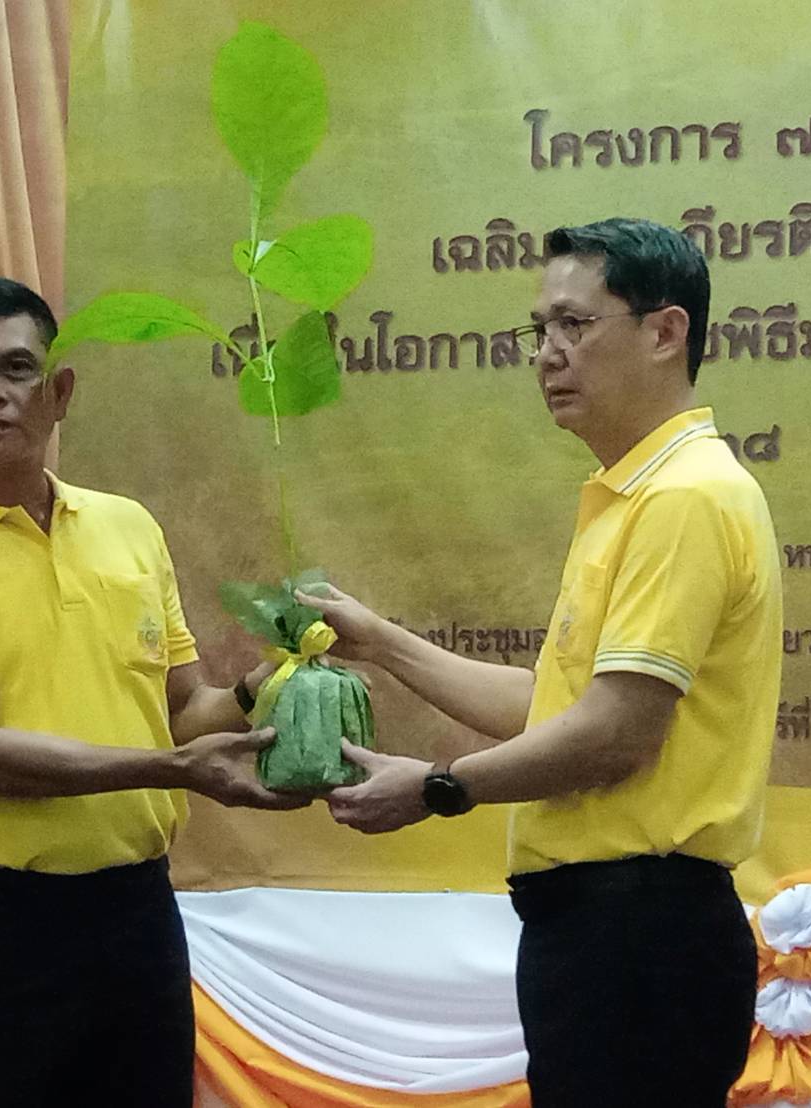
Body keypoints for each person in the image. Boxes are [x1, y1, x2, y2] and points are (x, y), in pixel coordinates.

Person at [296, 218, 780, 1107]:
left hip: (640, 932)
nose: (545, 353)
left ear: (664, 331)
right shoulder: (636, 494)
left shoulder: (684, 497)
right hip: (611, 929)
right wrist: (382, 642)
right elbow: (553, 708)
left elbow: (614, 735)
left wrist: (436, 789)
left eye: (574, 324)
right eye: (538, 328)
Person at [0, 276, 303, 1108]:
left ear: (59, 392)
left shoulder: (128, 527)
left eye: (17, 368)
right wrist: (174, 770)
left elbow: (181, 713)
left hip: (137, 919)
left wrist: (268, 683)